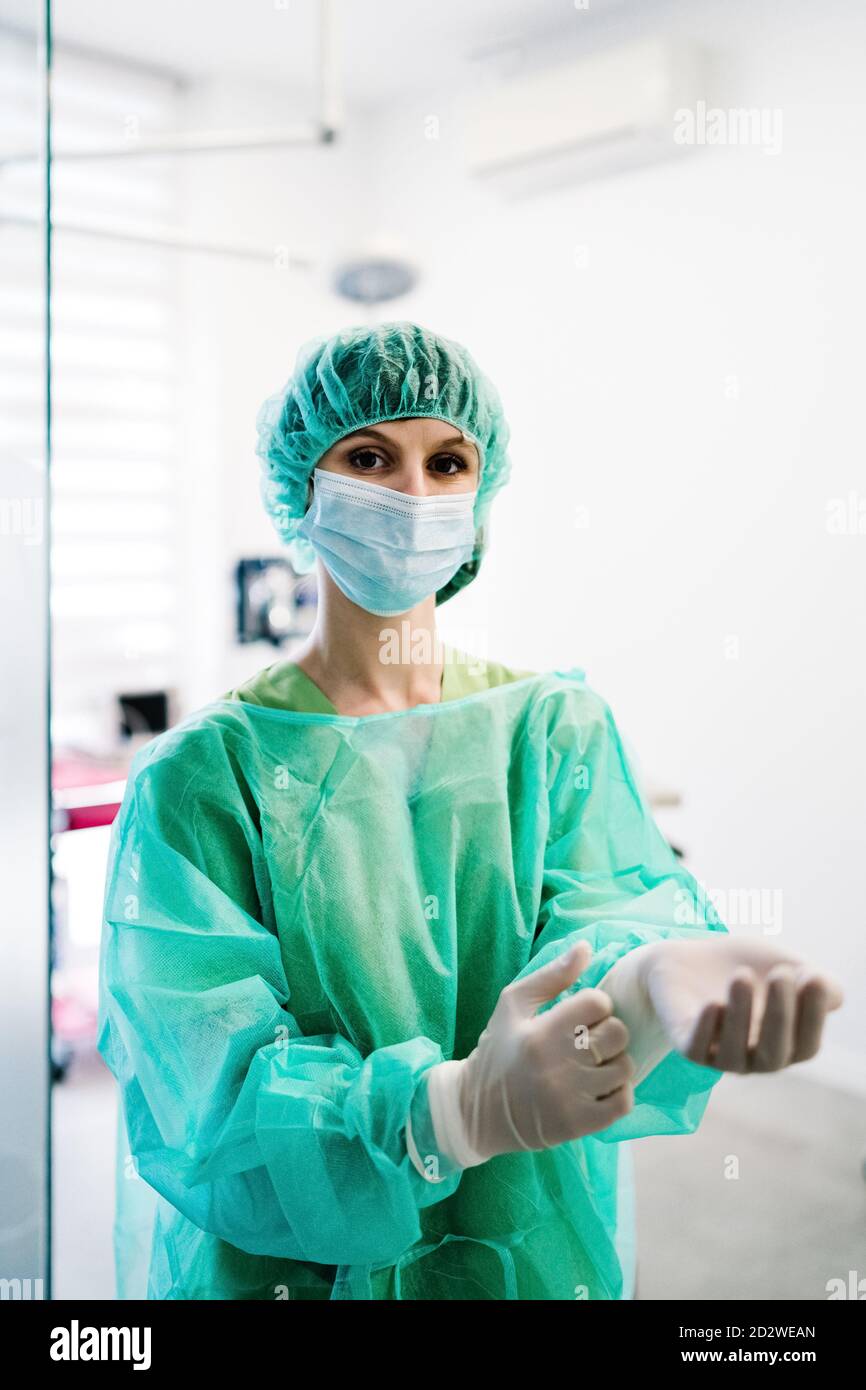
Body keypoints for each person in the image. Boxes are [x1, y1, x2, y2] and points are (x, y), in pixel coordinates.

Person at [97, 321, 843, 1301]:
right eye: (370, 456)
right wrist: (445, 1112)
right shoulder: (204, 775)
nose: (412, 494)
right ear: (302, 487)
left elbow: (606, 913)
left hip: (518, 1256)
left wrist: (657, 967)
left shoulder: (548, 729)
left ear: (480, 497)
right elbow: (200, 1085)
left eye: (448, 461)